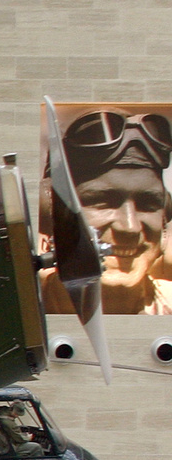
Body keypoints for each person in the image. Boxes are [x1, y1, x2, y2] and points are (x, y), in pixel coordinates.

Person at [41, 109, 172, 316]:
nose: (130, 227)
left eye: (148, 204)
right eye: (102, 202)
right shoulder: (16, 309)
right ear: (51, 214)